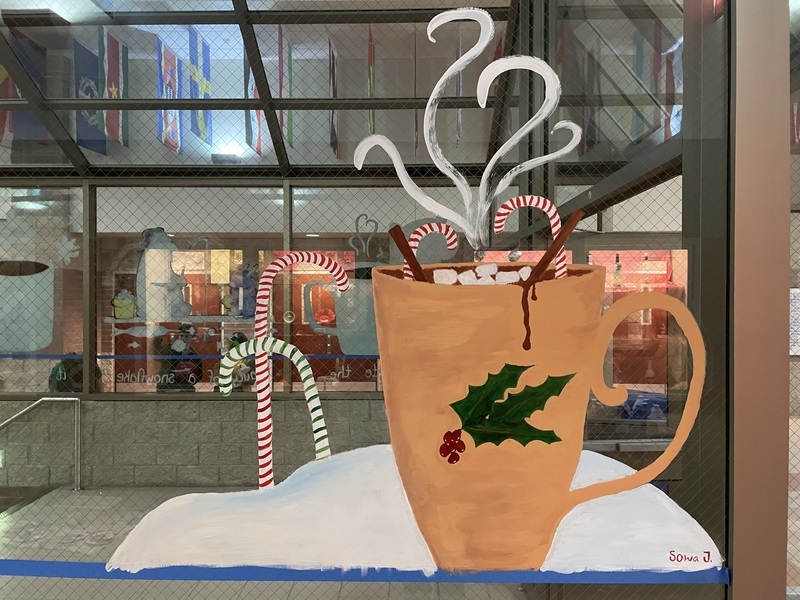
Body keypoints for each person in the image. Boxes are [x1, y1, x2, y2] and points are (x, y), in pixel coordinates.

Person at [151, 323, 203, 392]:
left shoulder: (195, 356)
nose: (183, 339)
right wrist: (158, 339)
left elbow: (198, 376)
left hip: (184, 388)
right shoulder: (170, 348)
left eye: (186, 336)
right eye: (181, 336)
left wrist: (188, 377)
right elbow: (156, 356)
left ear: (192, 338)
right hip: (167, 386)